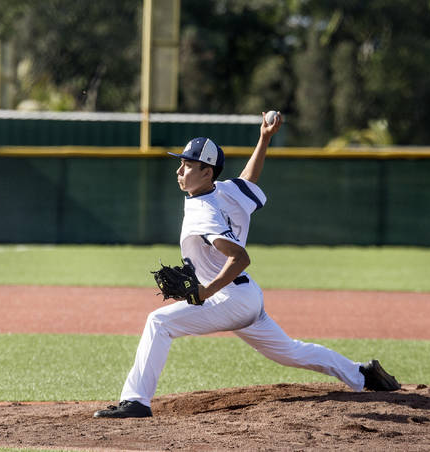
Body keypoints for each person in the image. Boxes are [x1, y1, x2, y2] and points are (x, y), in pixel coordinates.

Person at [94, 112, 400, 418]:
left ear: (206, 172)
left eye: (187, 164)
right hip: (246, 295)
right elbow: (249, 179)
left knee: (158, 323)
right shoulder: (226, 191)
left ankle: (136, 401)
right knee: (290, 351)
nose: (179, 169)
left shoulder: (204, 212)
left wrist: (205, 291)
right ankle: (362, 373)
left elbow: (240, 258)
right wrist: (264, 138)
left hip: (228, 298)